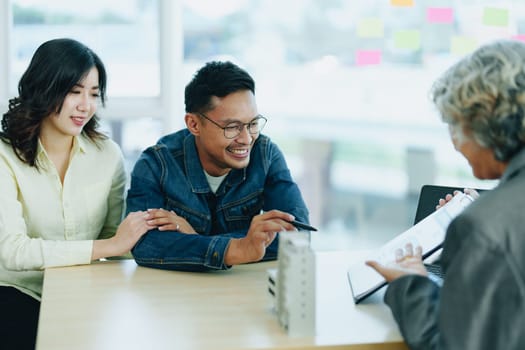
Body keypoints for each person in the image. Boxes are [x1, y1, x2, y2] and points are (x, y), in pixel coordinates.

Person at [366, 40, 525, 349]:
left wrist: (407, 283)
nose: (454, 143)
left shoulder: (484, 228)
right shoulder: (496, 220)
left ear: (484, 125)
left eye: (455, 125)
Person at [0, 38, 153, 349]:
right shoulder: (5, 156)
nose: (86, 105)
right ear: (44, 89)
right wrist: (110, 244)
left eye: (94, 94)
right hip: (17, 292)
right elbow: (13, 250)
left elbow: (115, 240)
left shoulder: (107, 154)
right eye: (74, 92)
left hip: (84, 291)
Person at [126, 61, 310, 271]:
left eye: (253, 124)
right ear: (194, 124)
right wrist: (238, 248)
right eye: (232, 127)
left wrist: (197, 240)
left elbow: (298, 235)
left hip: (241, 291)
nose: (247, 138)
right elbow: (144, 244)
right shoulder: (156, 165)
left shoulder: (265, 155)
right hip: (174, 296)